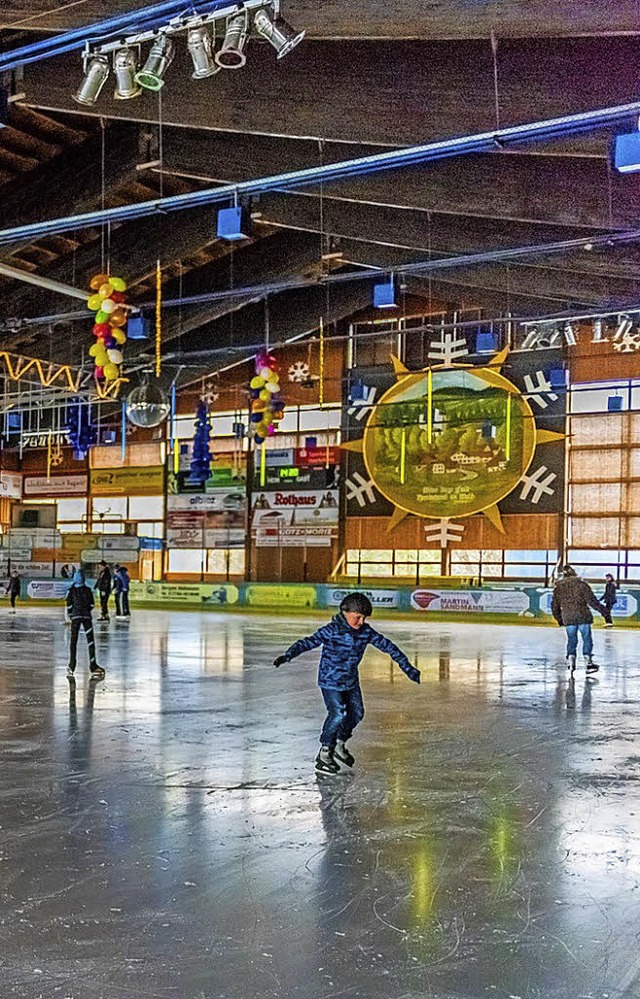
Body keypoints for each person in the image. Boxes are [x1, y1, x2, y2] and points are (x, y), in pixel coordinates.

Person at [273, 592, 420, 775]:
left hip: (350, 681)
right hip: (330, 681)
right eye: (358, 617)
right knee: (338, 714)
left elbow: (390, 647)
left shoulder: (365, 632)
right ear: (345, 612)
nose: (361, 622)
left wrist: (409, 669)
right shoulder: (331, 630)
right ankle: (325, 751)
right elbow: (308, 642)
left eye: (364, 618)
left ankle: (340, 744)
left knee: (357, 713)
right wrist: (288, 655)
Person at [551, 565, 607, 673]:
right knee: (587, 638)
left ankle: (571, 661)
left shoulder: (559, 588)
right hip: (583, 615)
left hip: (568, 616)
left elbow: (554, 606)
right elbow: (592, 601)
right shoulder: (582, 585)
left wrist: (559, 619)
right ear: (575, 574)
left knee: (572, 639)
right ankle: (588, 662)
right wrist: (604, 612)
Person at [65, 569, 105, 681]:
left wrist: (72, 615)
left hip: (76, 618)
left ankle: (71, 665)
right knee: (90, 642)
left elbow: (69, 605)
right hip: (86, 617)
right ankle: (93, 665)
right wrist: (86, 610)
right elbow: (92, 604)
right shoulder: (88, 590)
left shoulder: (71, 590)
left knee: (73, 642)